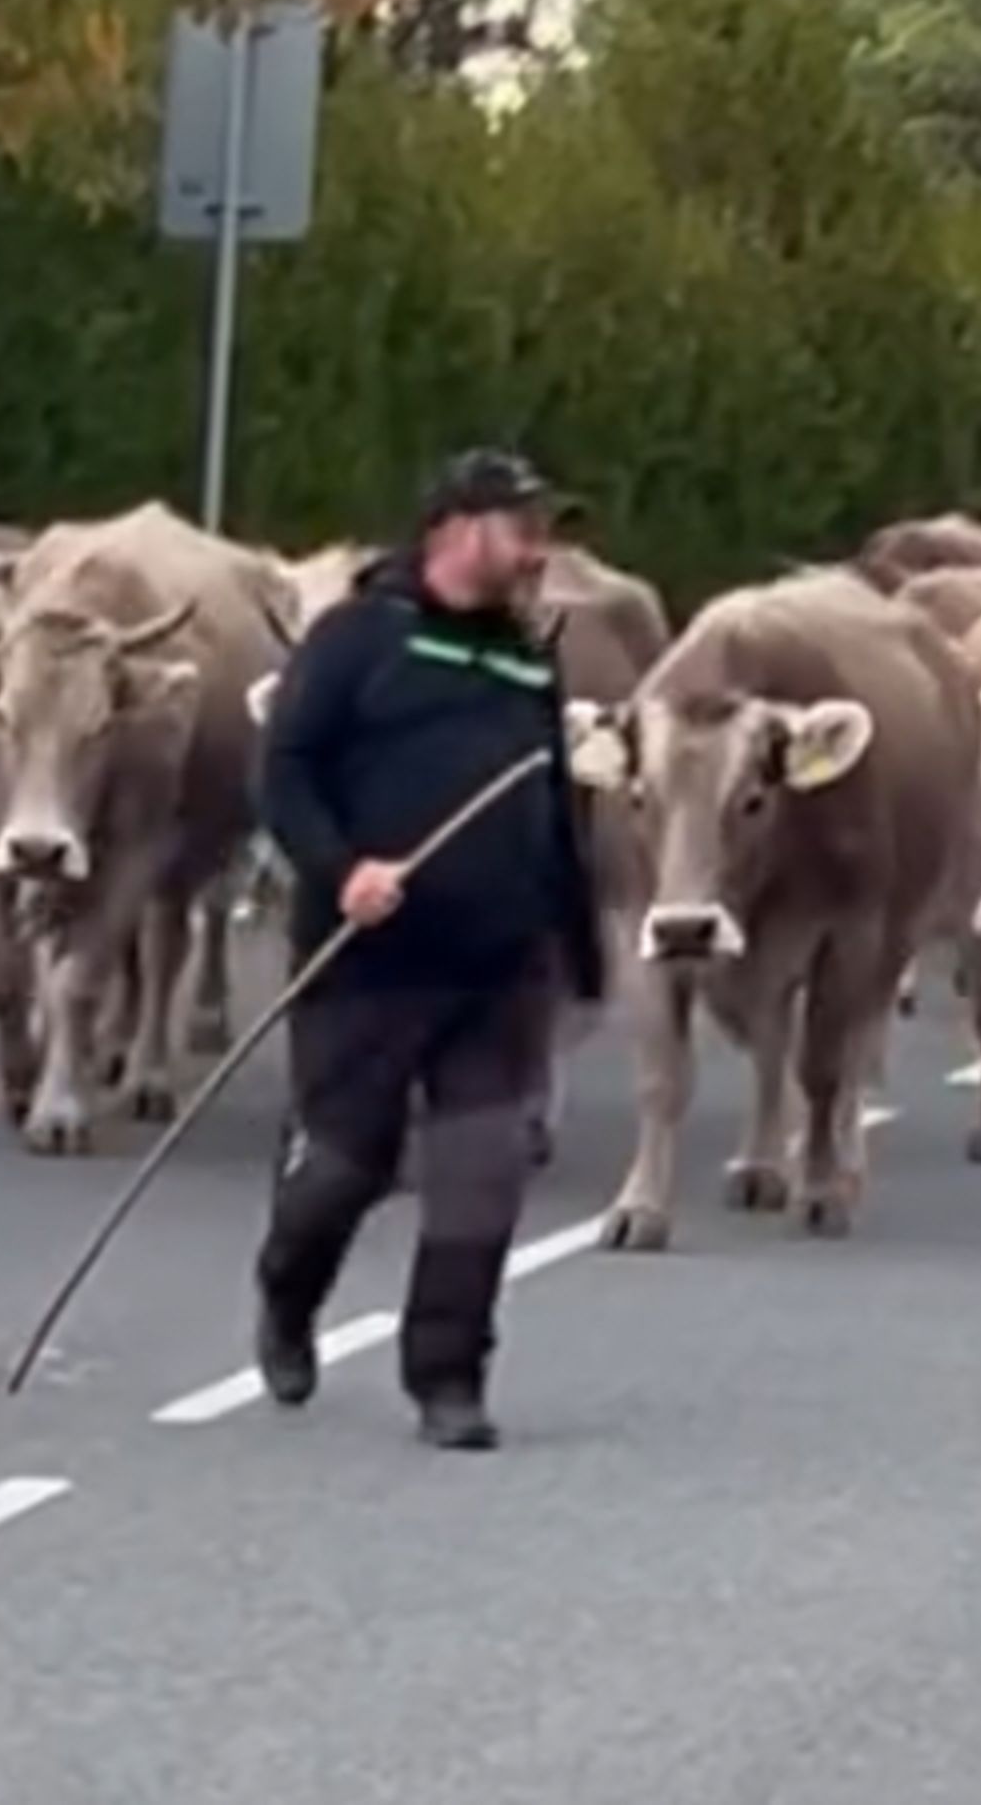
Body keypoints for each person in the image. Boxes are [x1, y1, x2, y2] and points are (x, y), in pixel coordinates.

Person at [250, 447, 608, 1450]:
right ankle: (288, 1288)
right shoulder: (358, 638)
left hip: (499, 966)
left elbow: (550, 807)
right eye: (522, 525)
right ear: (456, 527)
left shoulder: (528, 656)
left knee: (482, 1168)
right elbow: (286, 771)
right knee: (342, 1168)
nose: (540, 547)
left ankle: (448, 1376)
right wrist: (342, 867)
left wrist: (579, 952)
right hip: (367, 960)